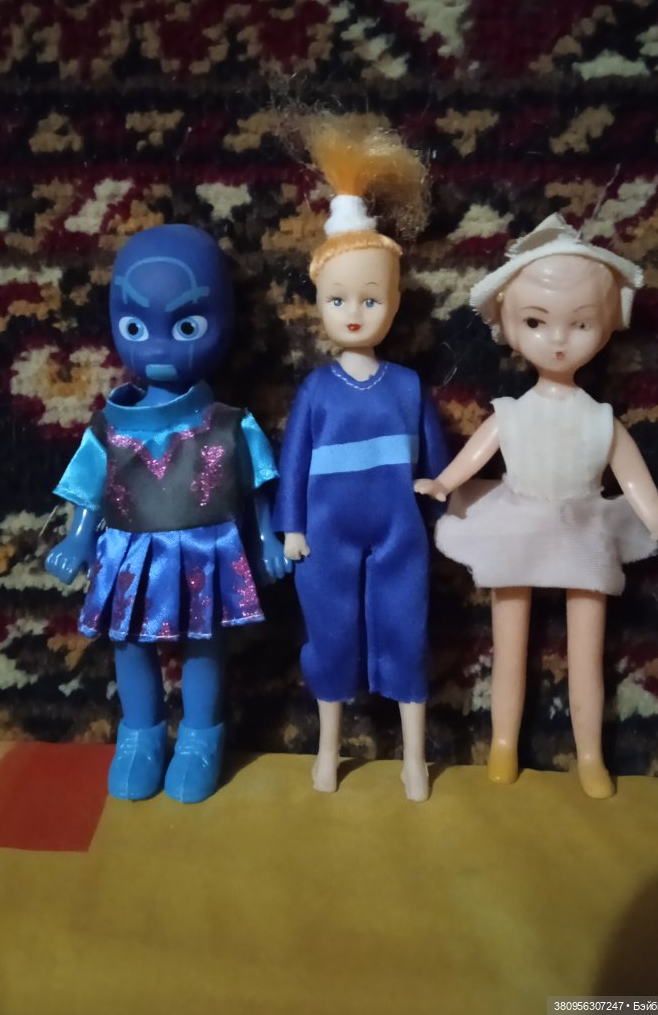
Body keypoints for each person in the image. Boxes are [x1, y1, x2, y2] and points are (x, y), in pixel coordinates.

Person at [415, 213, 658, 799]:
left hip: (582, 525)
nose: (559, 339)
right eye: (536, 322)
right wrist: (442, 484)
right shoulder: (511, 413)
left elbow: (633, 475)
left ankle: (590, 753)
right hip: (517, 521)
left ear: (606, 326)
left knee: (586, 654)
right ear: (509, 326)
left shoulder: (601, 419)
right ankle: (502, 743)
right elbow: (474, 456)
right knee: (509, 647)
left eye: (581, 323)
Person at [46, 225, 288, 803]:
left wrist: (269, 539)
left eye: (186, 328)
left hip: (207, 549)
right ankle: (141, 734)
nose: (157, 348)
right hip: (129, 550)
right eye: (135, 328)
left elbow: (257, 488)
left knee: (205, 643)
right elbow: (88, 490)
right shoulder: (109, 426)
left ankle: (201, 735)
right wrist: (77, 538)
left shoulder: (229, 423)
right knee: (129, 641)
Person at [274, 115, 450, 802]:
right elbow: (294, 462)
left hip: (399, 530)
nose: (355, 312)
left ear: (395, 302)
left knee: (406, 629)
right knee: (330, 634)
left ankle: (414, 758)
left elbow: (435, 458)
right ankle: (328, 749)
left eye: (371, 299)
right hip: (324, 533)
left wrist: (444, 496)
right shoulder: (316, 391)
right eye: (339, 299)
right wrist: (291, 525)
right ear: (318, 302)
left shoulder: (406, 386)